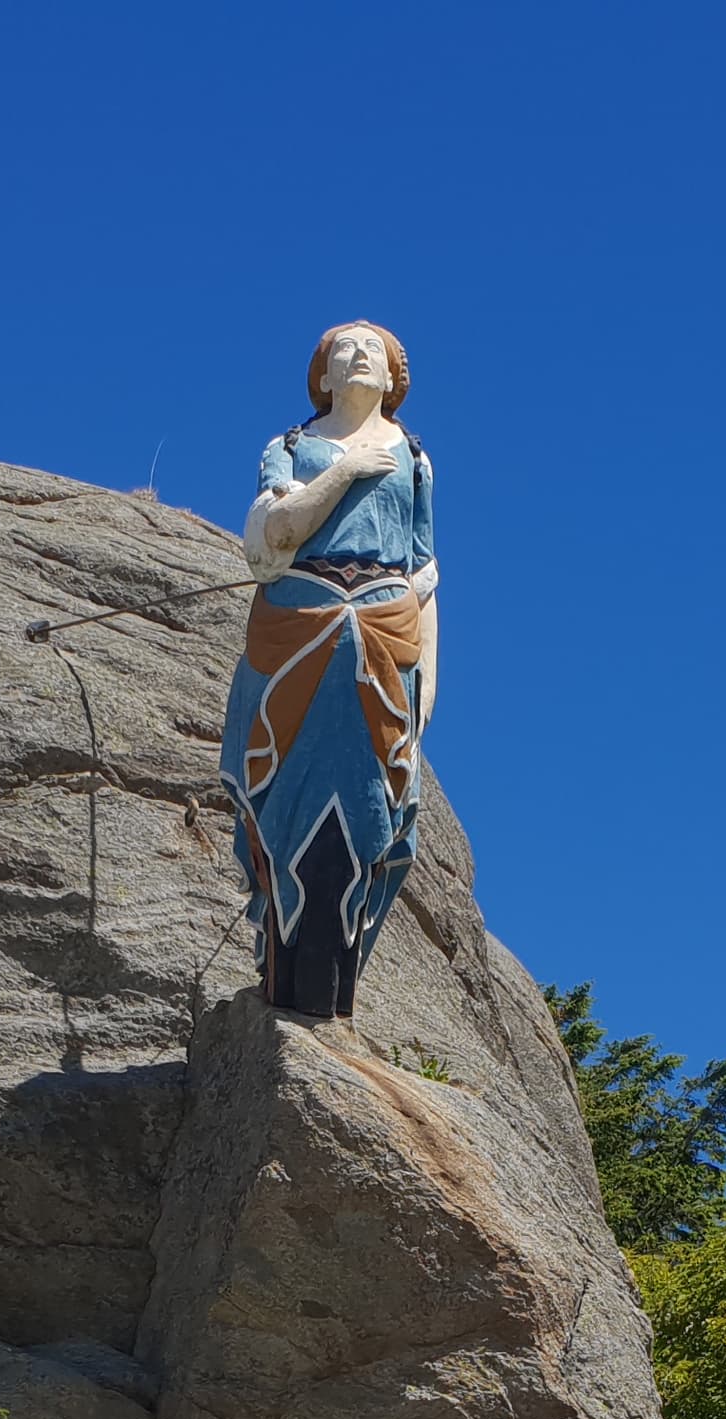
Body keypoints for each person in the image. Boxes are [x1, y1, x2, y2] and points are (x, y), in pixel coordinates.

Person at [223, 321, 437, 1020]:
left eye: (373, 349)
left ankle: (337, 963)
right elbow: (271, 541)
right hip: (297, 619)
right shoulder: (290, 448)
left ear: (394, 379)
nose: (359, 355)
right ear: (322, 377)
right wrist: (344, 472)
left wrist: (427, 680)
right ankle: (281, 942)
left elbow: (423, 576)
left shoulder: (413, 457)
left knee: (378, 807)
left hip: (387, 627)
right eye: (344, 349)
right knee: (279, 787)